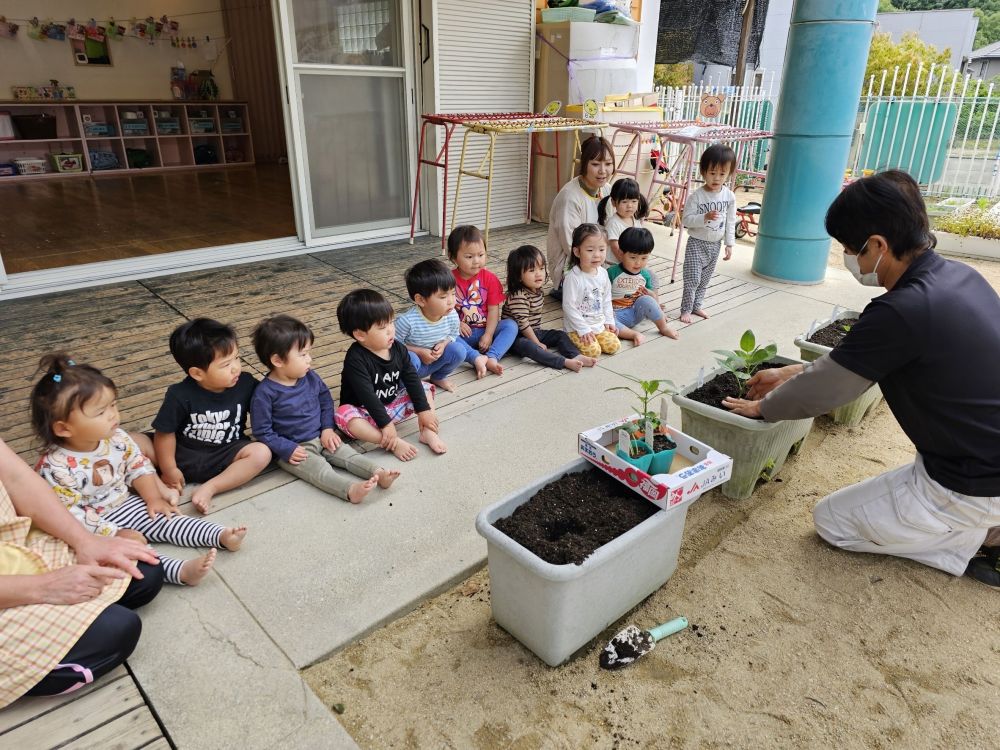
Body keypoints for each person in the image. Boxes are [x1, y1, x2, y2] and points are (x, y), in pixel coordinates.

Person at [722, 170, 1000, 589]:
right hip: (983, 460)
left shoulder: (902, 310)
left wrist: (763, 408)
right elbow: (865, 361)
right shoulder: (956, 277)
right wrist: (788, 371)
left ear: (878, 246)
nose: (849, 258)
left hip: (969, 481)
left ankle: (973, 539)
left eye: (850, 248)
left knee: (833, 523)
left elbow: (828, 389)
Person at [31, 353, 246, 586]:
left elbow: (137, 465)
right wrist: (113, 534)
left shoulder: (115, 438)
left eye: (113, 404)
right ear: (64, 429)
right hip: (92, 525)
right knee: (131, 552)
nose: (113, 414)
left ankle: (220, 535)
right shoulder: (55, 467)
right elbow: (69, 515)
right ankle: (179, 571)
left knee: (168, 518)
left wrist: (153, 498)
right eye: (101, 412)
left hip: (126, 503)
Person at [0, 435, 162, 706]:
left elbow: (18, 478)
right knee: (118, 629)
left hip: (14, 546)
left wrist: (86, 541)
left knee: (144, 570)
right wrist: (42, 588)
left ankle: (72, 613)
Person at [250, 314, 399, 504]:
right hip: (295, 447)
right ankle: (349, 490)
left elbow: (326, 401)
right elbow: (262, 431)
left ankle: (379, 472)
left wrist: (327, 428)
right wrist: (287, 448)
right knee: (319, 469)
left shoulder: (310, 377)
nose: (309, 359)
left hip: (322, 435)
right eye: (302, 354)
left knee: (347, 455)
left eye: (308, 352)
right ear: (278, 361)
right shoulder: (264, 393)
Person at [152, 318, 272, 513]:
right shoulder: (179, 394)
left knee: (261, 452)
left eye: (237, 358)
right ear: (197, 373)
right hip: (181, 453)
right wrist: (169, 469)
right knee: (133, 442)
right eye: (225, 365)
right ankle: (157, 483)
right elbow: (165, 433)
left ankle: (211, 487)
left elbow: (268, 409)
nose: (235, 367)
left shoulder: (246, 383)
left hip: (225, 454)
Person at [335, 289, 447, 461]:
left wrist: (423, 410)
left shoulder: (397, 348)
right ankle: (391, 442)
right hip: (365, 414)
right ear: (360, 334)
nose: (390, 331)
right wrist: (385, 425)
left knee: (423, 388)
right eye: (382, 327)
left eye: (391, 323)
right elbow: (367, 396)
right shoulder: (355, 359)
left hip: (392, 405)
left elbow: (411, 378)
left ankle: (427, 432)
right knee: (343, 414)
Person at [502, 244, 597, 372]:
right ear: (518, 276)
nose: (538, 274)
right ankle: (563, 362)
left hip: (534, 331)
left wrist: (537, 338)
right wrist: (537, 342)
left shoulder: (537, 291)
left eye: (541, 268)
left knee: (559, 335)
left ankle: (575, 354)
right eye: (531, 270)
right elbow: (523, 325)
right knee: (531, 347)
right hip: (515, 338)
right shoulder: (518, 296)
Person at [394, 259, 476, 392]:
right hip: (414, 366)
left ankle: (438, 377)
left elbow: (453, 335)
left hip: (435, 362)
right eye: (443, 297)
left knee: (459, 350)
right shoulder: (407, 321)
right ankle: (405, 387)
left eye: (453, 293)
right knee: (411, 358)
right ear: (421, 300)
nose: (451, 301)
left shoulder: (452, 315)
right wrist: (419, 351)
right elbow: (393, 344)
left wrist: (444, 344)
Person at [546, 135, 616, 293]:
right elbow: (571, 246)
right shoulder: (569, 197)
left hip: (599, 260)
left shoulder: (607, 189)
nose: (603, 171)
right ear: (584, 164)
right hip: (573, 267)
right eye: (595, 164)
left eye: (608, 164)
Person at [448, 225, 517, 378]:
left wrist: (488, 335)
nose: (476, 261)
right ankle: (475, 357)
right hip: (460, 333)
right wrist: (456, 324)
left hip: (486, 329)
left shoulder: (490, 279)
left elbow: (493, 310)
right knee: (446, 336)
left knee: (510, 325)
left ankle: (492, 357)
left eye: (480, 255)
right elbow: (441, 311)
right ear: (453, 257)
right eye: (469, 256)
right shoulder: (448, 280)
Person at [680, 144, 737, 323]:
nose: (717, 178)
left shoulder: (729, 196)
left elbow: (730, 221)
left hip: (715, 244)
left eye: (722, 174)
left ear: (729, 173)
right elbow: (686, 219)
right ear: (703, 171)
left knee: (704, 279)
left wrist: (729, 244)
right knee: (693, 278)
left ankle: (697, 306)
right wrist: (704, 217)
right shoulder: (696, 196)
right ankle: (686, 309)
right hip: (697, 243)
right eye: (712, 173)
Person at [607, 227, 679, 343]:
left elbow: (652, 299)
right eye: (633, 257)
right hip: (615, 315)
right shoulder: (612, 272)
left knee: (646, 299)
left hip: (636, 312)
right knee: (605, 320)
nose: (638, 262)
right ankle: (633, 334)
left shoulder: (645, 275)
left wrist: (651, 294)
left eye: (644, 258)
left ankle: (663, 327)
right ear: (621, 253)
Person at [561, 223, 621, 358]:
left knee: (614, 346)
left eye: (601, 249)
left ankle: (596, 334)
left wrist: (609, 321)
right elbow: (569, 306)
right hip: (577, 328)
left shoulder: (603, 273)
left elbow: (606, 300)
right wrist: (583, 329)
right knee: (594, 352)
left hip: (598, 324)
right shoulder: (573, 278)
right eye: (590, 250)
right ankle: (568, 337)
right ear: (577, 252)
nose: (597, 255)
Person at [598, 177, 650, 263]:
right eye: (624, 202)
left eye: (634, 201)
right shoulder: (613, 224)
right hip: (615, 266)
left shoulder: (635, 220)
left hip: (632, 264)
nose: (630, 205)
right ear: (614, 202)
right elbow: (617, 251)